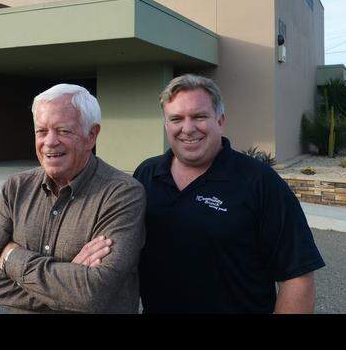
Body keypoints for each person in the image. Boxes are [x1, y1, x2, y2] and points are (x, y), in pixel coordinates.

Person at [132, 74, 325, 313]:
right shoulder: (147, 175)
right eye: (176, 119)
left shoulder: (259, 181)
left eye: (199, 116)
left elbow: (297, 276)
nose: (188, 128)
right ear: (166, 125)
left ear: (220, 120)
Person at [0, 84, 146, 313]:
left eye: (63, 130)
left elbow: (95, 291)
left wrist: (12, 257)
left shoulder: (122, 194)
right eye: (42, 131)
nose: (50, 142)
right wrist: (67, 291)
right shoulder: (15, 188)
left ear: (91, 136)